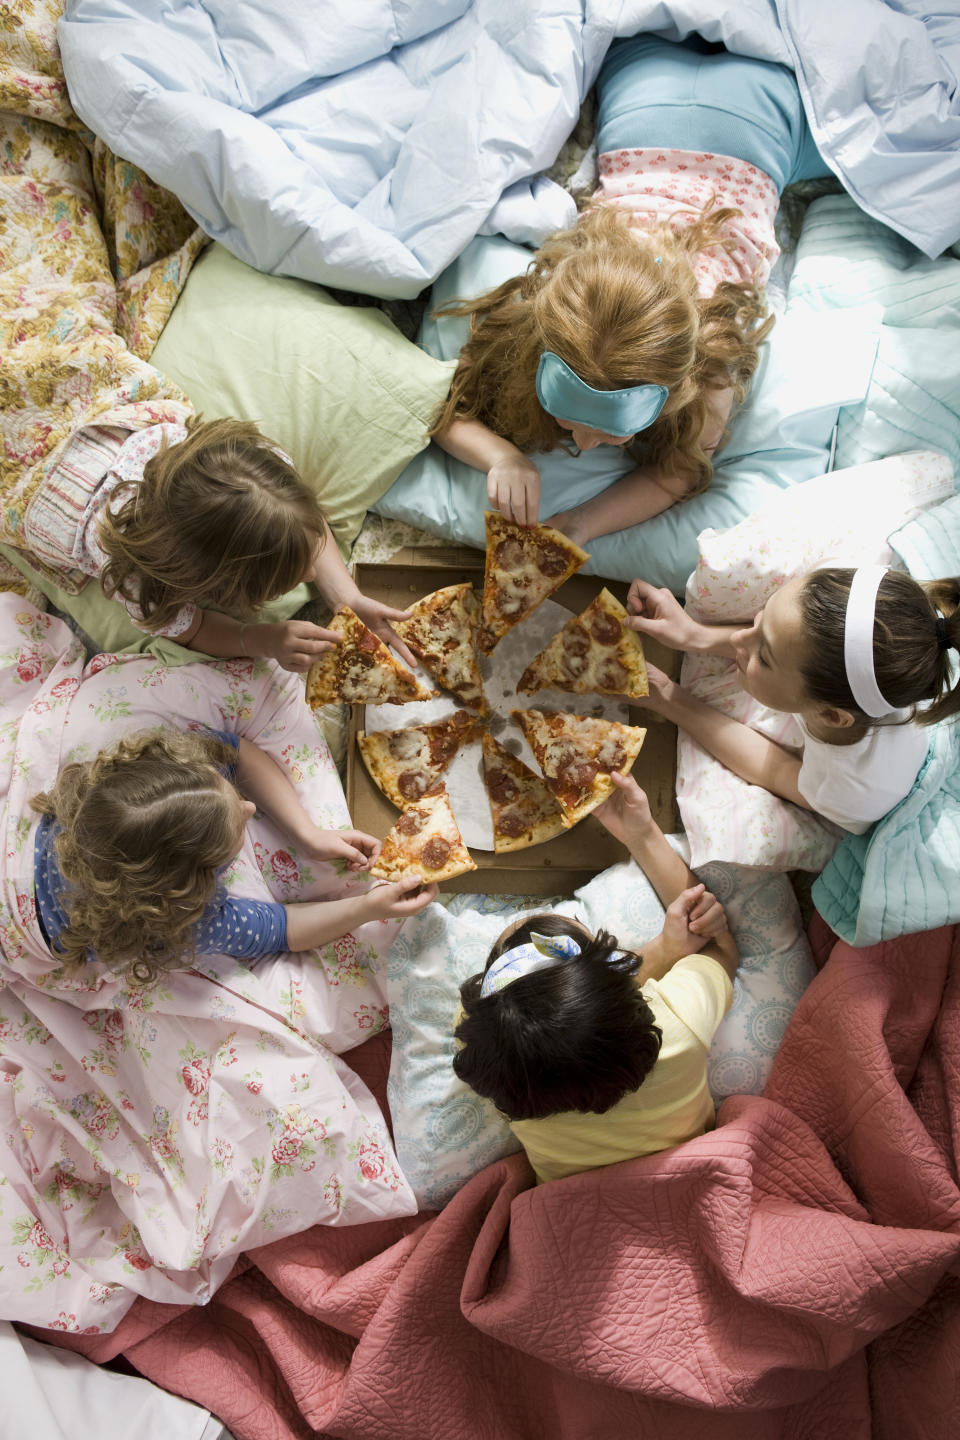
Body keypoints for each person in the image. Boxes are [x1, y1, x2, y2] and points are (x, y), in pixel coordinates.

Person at [430, 34, 832, 538]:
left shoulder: (709, 377)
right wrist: (503, 457)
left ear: (677, 390)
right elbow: (439, 406)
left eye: (611, 434)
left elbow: (678, 473)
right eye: (573, 422)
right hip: (666, 101)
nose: (584, 443)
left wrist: (580, 523)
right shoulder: (547, 315)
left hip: (747, 120)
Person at [452, 772, 739, 1184]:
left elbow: (566, 1018)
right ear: (638, 996)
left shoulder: (486, 1045)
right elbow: (719, 950)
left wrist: (659, 951)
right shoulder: (678, 1025)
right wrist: (642, 836)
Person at [31, 728, 436, 984]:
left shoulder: (148, 791)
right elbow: (280, 930)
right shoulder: (183, 921)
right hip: (28, 927)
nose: (251, 810)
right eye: (238, 828)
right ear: (198, 882)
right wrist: (367, 907)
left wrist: (308, 835)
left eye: (237, 799)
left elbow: (233, 751)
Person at [23, 416, 416, 673]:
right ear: (218, 589)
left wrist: (345, 595)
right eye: (286, 579)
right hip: (55, 492)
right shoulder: (142, 581)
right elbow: (191, 629)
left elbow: (303, 526)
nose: (312, 575)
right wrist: (262, 639)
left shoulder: (260, 472)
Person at [627, 566, 960, 833]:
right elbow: (790, 645)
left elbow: (775, 771)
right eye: (759, 620)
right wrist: (693, 635)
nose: (740, 636)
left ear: (831, 715)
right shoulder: (886, 639)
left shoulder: (851, 791)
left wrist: (667, 697)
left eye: (765, 657)